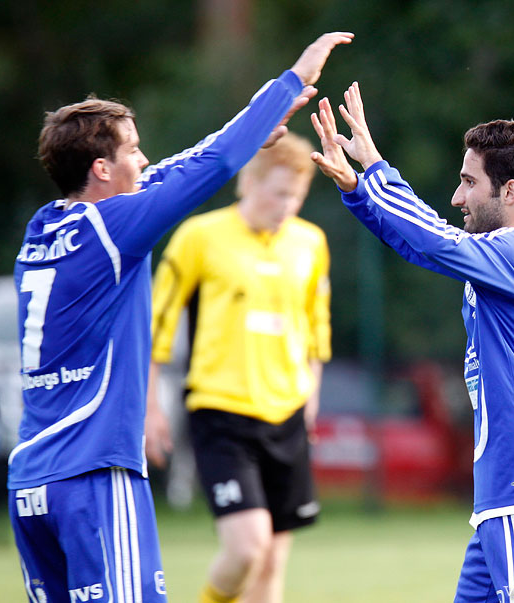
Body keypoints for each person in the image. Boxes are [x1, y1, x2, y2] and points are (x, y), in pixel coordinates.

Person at [7, 32, 353, 603]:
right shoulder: (115, 230)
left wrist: (245, 135)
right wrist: (291, 81)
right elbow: (206, 167)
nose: (144, 159)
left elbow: (178, 170)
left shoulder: (43, 228)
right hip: (93, 473)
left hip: (32, 481)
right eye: (133, 150)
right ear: (100, 168)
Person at [310, 83, 514, 602]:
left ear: (510, 193)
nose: (457, 197)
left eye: (469, 182)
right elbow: (419, 241)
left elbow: (433, 240)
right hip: (507, 496)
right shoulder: (513, 260)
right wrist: (357, 187)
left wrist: (374, 169)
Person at [146, 130, 331, 603]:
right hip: (220, 412)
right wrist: (150, 408)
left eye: (297, 195)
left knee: (271, 563)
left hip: (286, 414)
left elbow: (316, 332)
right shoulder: (200, 237)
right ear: (249, 182)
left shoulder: (310, 243)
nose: (288, 204)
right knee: (247, 548)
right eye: (279, 192)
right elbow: (154, 330)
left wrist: (310, 400)